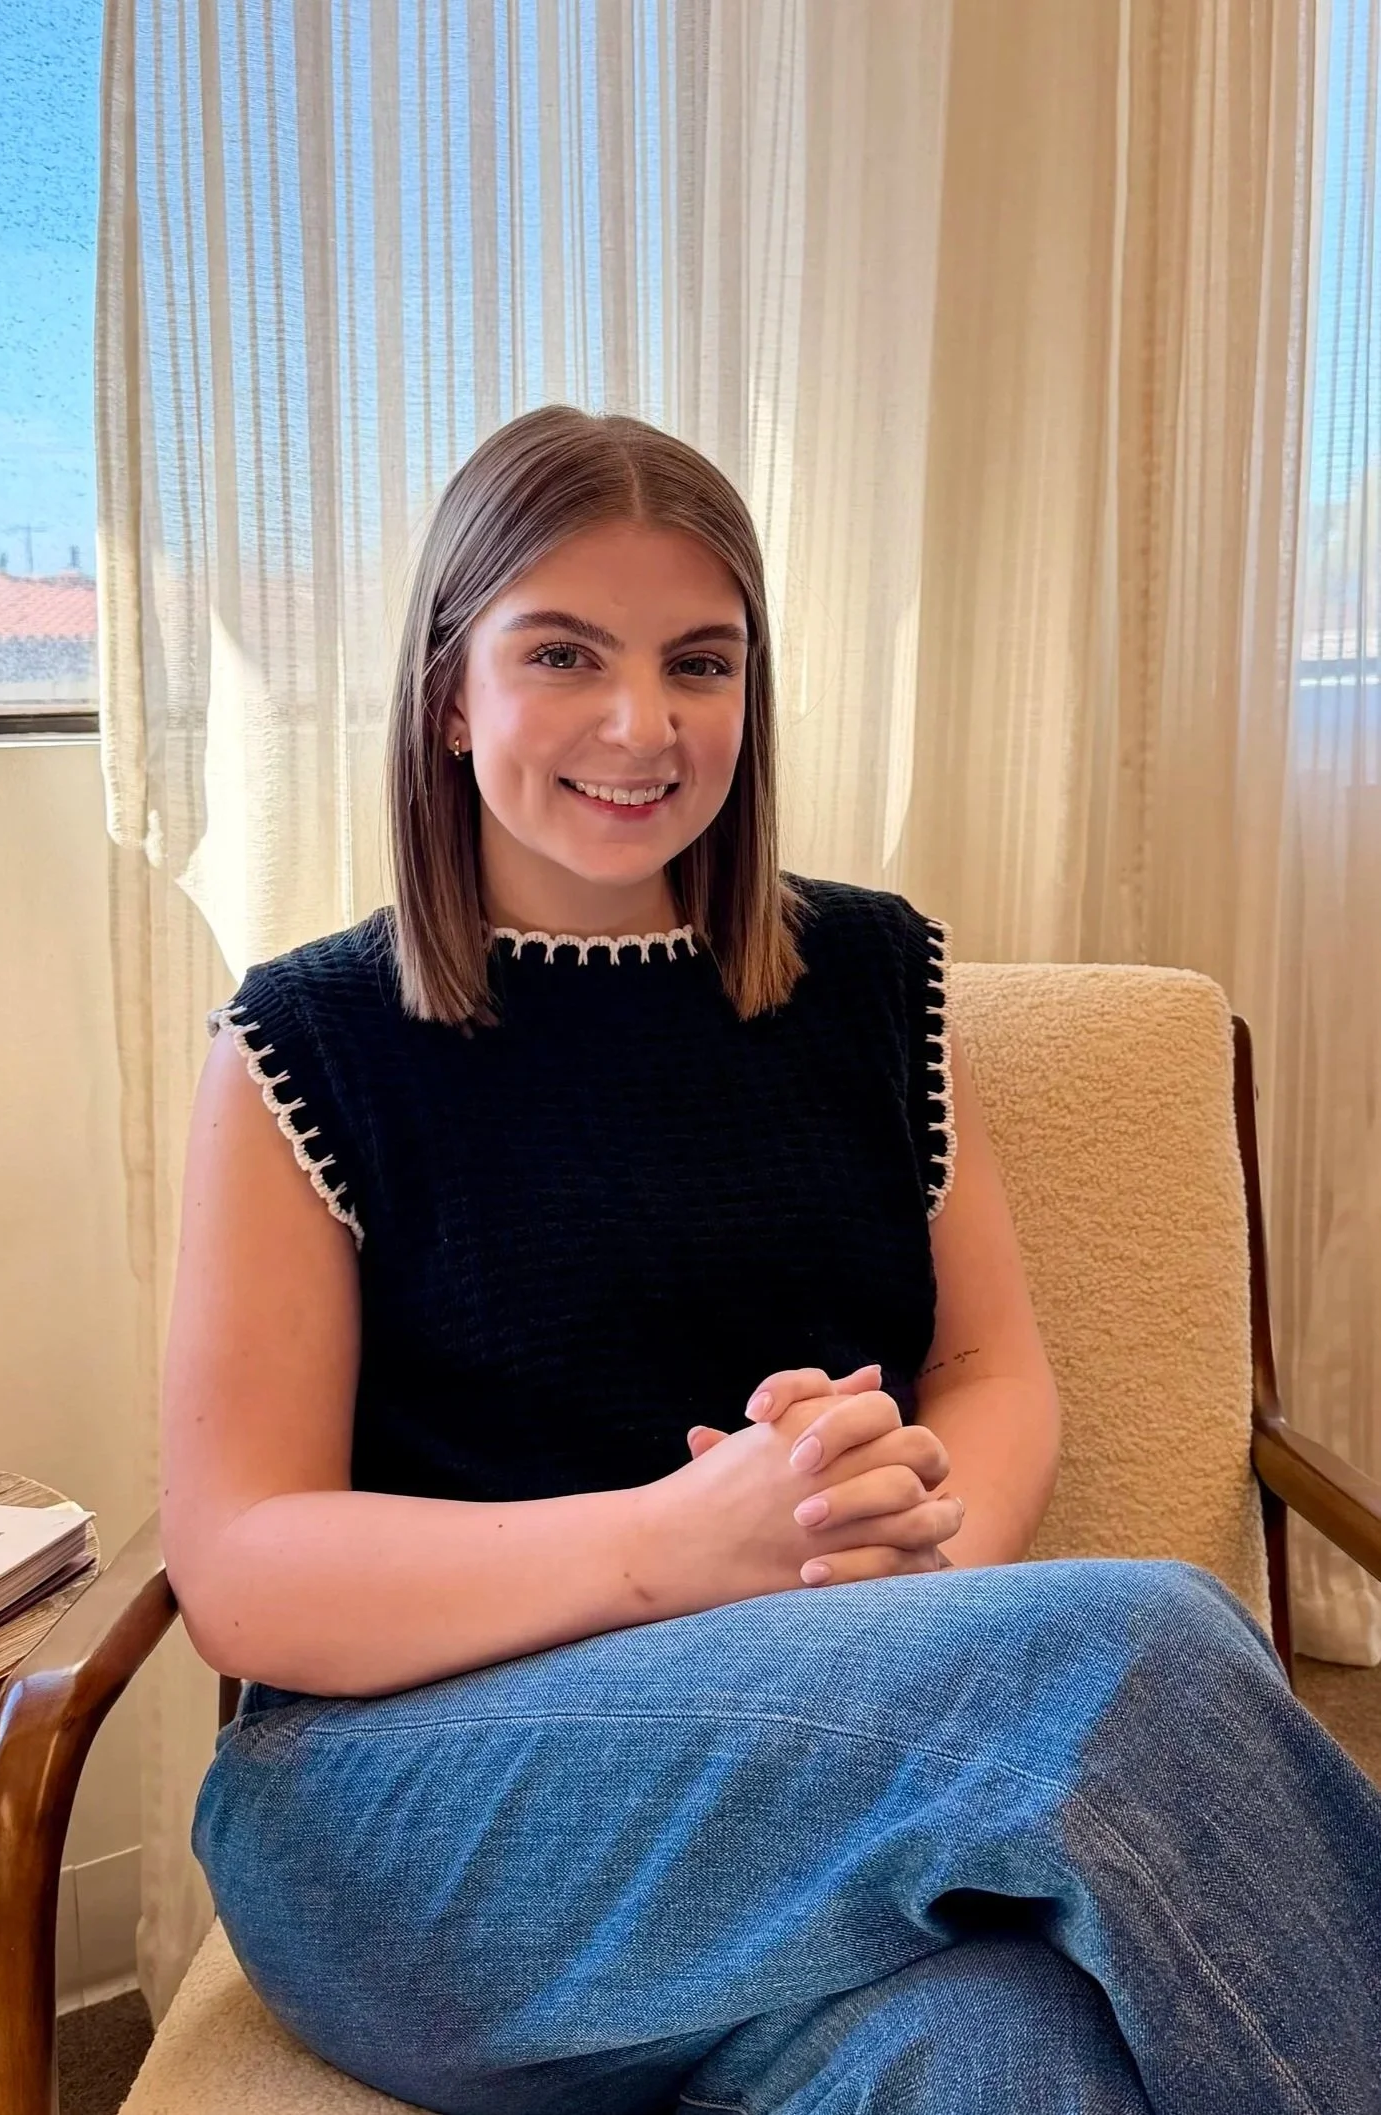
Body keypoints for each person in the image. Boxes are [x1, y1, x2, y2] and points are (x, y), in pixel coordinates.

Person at [161, 404, 1381, 2115]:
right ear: (450, 690)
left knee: (1002, 2052)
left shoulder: (880, 977)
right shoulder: (307, 1037)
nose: (641, 721)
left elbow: (987, 1366)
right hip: (404, 1817)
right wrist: (682, 1544)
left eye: (701, 662)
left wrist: (905, 1536)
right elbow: (245, 1562)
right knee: (1128, 1654)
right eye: (564, 652)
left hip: (813, 1786)